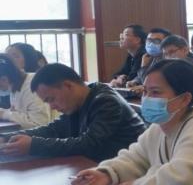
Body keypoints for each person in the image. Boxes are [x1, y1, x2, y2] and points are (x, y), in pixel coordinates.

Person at [72, 60, 193, 185]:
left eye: (155, 92)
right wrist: (106, 174)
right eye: (145, 91)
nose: (146, 98)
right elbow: (136, 158)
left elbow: (179, 182)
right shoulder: (159, 127)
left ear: (184, 99)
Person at [0, 64, 145, 161]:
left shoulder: (106, 101)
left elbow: (88, 144)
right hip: (99, 166)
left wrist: (34, 145)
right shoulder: (81, 100)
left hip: (131, 170)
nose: (52, 106)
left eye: (51, 99)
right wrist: (6, 138)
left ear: (68, 86)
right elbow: (54, 130)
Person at [0, 54, 54, 129]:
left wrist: (4, 114)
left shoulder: (32, 85)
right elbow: (19, 113)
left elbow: (40, 123)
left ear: (4, 79)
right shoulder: (15, 86)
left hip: (50, 133)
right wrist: (5, 113)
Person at [126, 27, 172, 93]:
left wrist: (144, 67)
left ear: (167, 43)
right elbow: (140, 78)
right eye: (149, 40)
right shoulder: (150, 57)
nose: (151, 44)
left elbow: (148, 82)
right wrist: (134, 82)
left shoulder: (169, 60)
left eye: (156, 41)